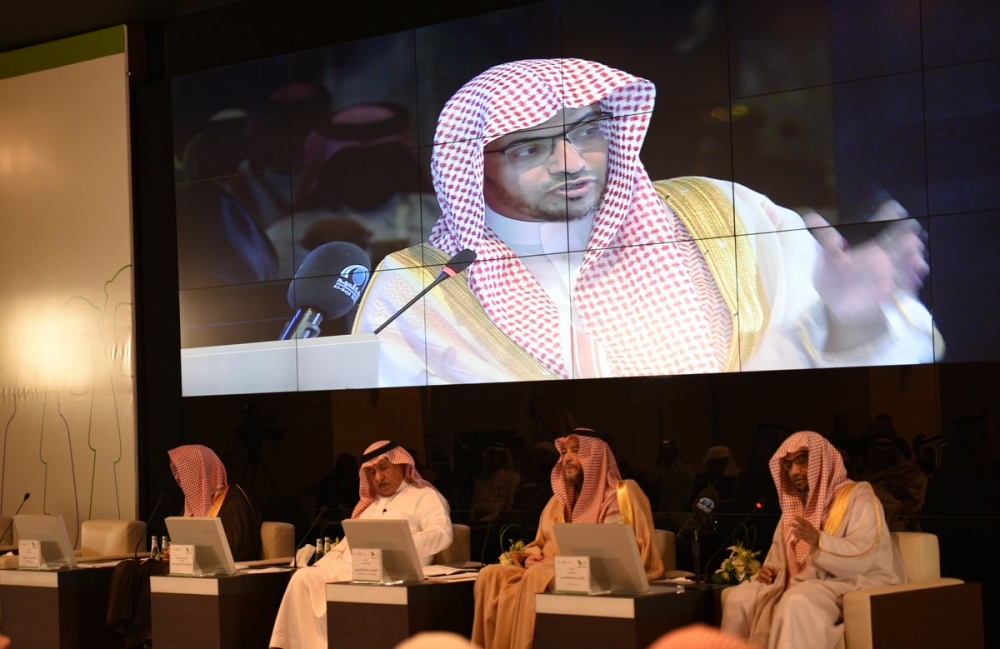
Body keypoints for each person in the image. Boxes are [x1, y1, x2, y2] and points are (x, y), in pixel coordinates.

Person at [353, 58, 941, 387]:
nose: (571, 162)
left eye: (587, 131)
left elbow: (893, 355)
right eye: (531, 148)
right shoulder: (419, 289)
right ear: (471, 170)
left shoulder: (722, 213)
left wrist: (855, 322)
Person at [472, 432, 663, 649]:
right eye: (563, 453)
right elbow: (540, 544)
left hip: (598, 573)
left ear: (595, 456)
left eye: (576, 451)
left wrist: (558, 563)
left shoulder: (619, 495)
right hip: (554, 570)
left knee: (538, 575)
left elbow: (615, 551)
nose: (566, 459)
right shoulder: (558, 501)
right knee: (490, 574)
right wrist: (528, 558)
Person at [720, 431, 905, 649]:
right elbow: (780, 558)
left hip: (853, 580)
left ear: (821, 461)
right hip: (806, 581)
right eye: (788, 465)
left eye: (802, 461)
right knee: (739, 599)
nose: (794, 472)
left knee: (796, 601)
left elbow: (863, 553)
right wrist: (770, 571)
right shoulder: (795, 506)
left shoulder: (858, 495)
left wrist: (819, 541)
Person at [269, 441, 453, 649]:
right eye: (372, 472)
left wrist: (402, 543)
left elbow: (443, 533)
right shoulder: (371, 505)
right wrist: (321, 565)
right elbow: (347, 543)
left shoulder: (424, 496)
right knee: (303, 578)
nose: (378, 478)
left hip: (395, 572)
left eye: (383, 468)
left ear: (402, 465)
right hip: (356, 568)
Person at [107, 444, 261, 647]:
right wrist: (173, 552)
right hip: (191, 568)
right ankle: (130, 635)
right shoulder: (192, 505)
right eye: (177, 473)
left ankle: (150, 635)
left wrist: (188, 554)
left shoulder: (233, 500)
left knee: (156, 572)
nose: (179, 478)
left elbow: (239, 548)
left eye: (183, 471)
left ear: (201, 470)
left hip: (222, 572)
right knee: (127, 568)